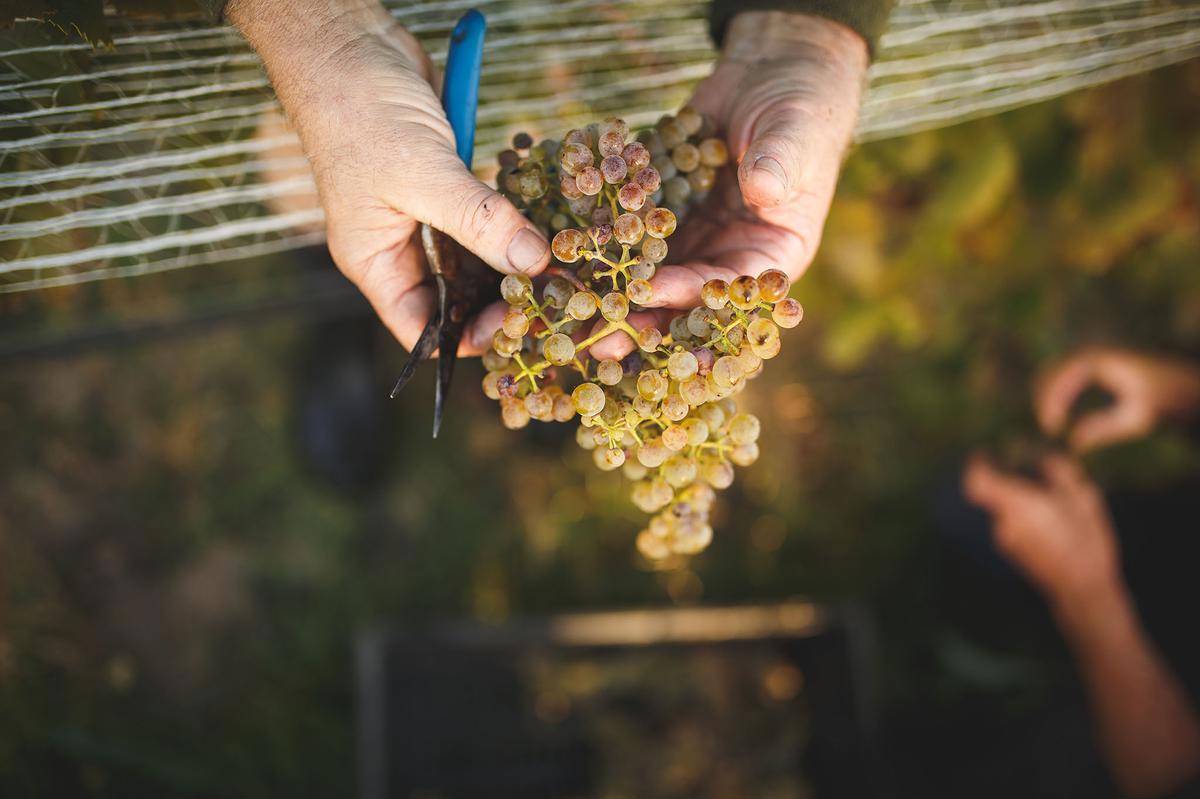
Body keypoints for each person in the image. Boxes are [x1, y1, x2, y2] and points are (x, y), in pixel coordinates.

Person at [220, 0, 888, 356]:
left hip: (634, 39)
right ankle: (338, 316)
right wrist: (316, 30)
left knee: (545, 313)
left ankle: (506, 363)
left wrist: (800, 27)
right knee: (332, 167)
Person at [965, 347, 1200, 799]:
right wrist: (1176, 392)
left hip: (1150, 701)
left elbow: (1173, 783)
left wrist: (1086, 594)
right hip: (1161, 549)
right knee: (961, 515)